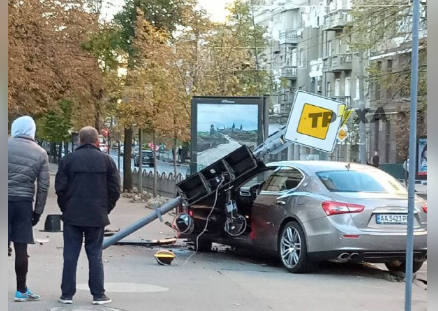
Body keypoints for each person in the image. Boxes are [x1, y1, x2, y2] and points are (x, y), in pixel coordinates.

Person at [55, 126, 121, 305]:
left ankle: (67, 294)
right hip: (96, 215)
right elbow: (115, 189)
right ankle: (98, 294)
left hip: (72, 215)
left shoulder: (68, 160)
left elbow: (60, 189)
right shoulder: (107, 161)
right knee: (95, 255)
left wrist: (66, 208)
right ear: (97, 141)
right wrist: (105, 208)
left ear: (80, 141)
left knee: (70, 255)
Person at [8, 116, 50, 302]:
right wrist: (37, 212)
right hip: (23, 203)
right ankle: (21, 290)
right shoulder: (40, 153)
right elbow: (43, 186)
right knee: (21, 247)